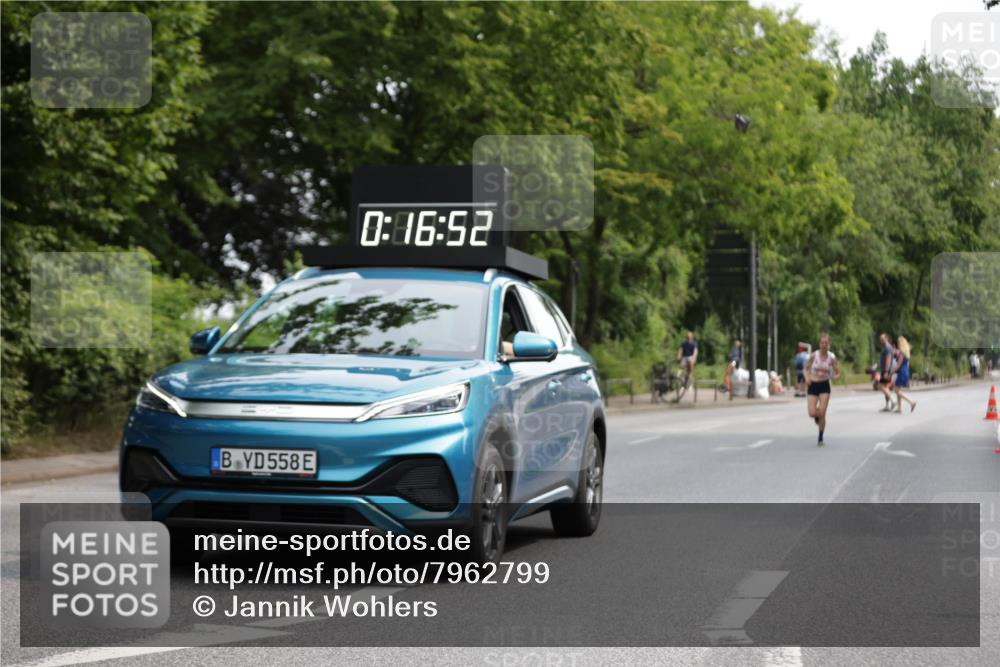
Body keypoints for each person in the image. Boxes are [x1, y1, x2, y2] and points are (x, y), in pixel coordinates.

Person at [803, 333, 841, 446]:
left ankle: (820, 438)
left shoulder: (831, 357)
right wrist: (807, 378)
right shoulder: (814, 355)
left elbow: (838, 372)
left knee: (822, 412)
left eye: (826, 343)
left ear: (829, 345)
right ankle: (817, 418)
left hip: (824, 385)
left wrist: (834, 376)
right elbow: (805, 369)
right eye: (822, 343)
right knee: (812, 413)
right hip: (813, 384)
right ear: (819, 344)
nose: (824, 345)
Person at [894, 336, 916, 413]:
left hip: (902, 372)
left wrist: (891, 371)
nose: (897, 344)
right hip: (906, 371)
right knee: (898, 390)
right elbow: (907, 365)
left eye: (898, 342)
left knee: (896, 391)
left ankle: (911, 402)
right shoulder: (907, 353)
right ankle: (899, 408)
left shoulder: (901, 353)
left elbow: (898, 365)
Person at [877, 333, 896, 412]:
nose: (881, 341)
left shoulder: (887, 348)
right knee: (886, 387)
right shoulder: (887, 347)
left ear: (886, 338)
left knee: (880, 386)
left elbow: (888, 360)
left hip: (886, 370)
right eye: (880, 339)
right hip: (886, 370)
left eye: (882, 339)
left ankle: (893, 400)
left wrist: (886, 371)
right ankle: (887, 406)